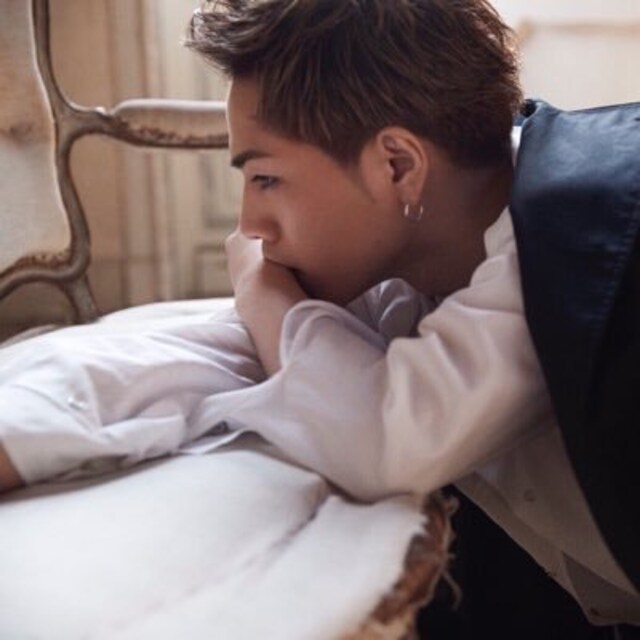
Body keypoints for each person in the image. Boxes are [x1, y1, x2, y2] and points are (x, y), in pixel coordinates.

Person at [1, 0, 639, 637]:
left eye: (266, 178)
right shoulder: (411, 259)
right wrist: (24, 427)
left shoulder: (572, 233)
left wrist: (259, 286)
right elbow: (235, 354)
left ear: (397, 166)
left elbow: (389, 440)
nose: (248, 226)